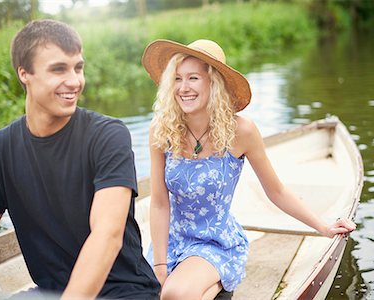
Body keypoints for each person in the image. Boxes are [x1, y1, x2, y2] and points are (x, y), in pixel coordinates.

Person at [141, 39, 357, 300]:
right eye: (177, 79)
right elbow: (160, 204)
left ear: (214, 82)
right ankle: (215, 290)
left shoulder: (241, 132)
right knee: (149, 292)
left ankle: (218, 280)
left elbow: (276, 191)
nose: (183, 88)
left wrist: (323, 227)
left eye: (193, 78)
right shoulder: (161, 130)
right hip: (173, 240)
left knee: (174, 293)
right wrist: (160, 264)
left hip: (214, 242)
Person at [0, 19, 160, 299]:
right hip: (49, 293)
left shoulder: (108, 136)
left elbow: (106, 237)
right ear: (24, 73)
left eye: (78, 67)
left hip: (124, 292)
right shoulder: (1, 147)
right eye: (58, 69)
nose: (74, 81)